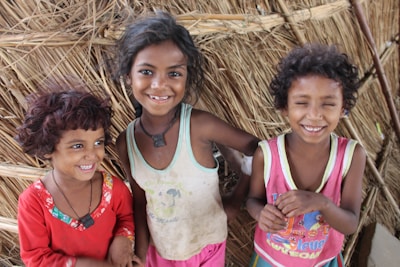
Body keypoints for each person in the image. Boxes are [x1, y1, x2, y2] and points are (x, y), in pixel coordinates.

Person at [115, 11, 260, 267]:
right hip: (158, 254)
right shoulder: (126, 142)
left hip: (207, 247)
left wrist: (238, 200)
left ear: (186, 77)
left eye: (173, 74)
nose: (159, 84)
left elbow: (259, 151)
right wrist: (139, 254)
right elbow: (140, 202)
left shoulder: (198, 125)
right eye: (147, 71)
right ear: (129, 76)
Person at [246, 43, 367, 267]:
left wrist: (323, 204)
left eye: (328, 104)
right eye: (302, 103)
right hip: (271, 261)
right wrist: (260, 214)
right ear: (284, 107)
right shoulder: (267, 154)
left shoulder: (351, 155)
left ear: (342, 109)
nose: (314, 115)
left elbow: (350, 223)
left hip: (322, 261)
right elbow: (253, 200)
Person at [16, 89, 141, 267]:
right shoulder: (33, 203)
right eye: (77, 146)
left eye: (98, 142)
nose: (91, 154)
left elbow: (127, 217)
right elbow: (36, 258)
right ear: (48, 149)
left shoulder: (113, 188)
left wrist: (123, 239)